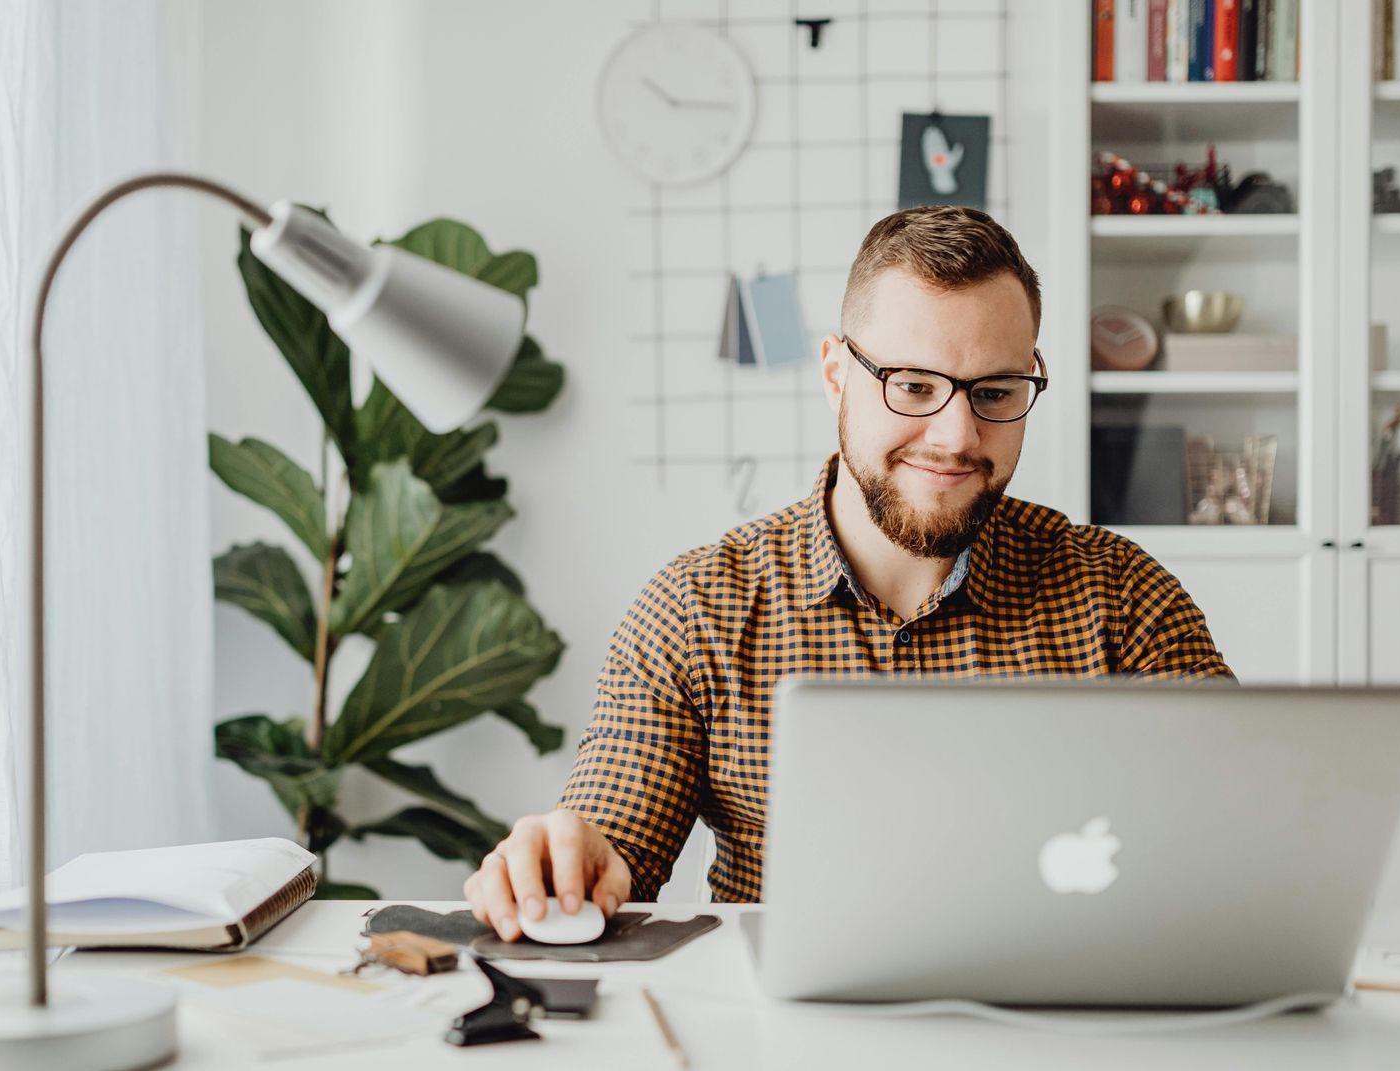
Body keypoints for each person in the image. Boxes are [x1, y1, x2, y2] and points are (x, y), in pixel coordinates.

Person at [464, 206, 1233, 942]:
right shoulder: (698, 606)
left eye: (996, 392)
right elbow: (613, 837)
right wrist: (570, 860)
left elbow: (1244, 832)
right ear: (836, 373)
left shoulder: (1123, 597)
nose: (958, 435)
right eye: (913, 385)